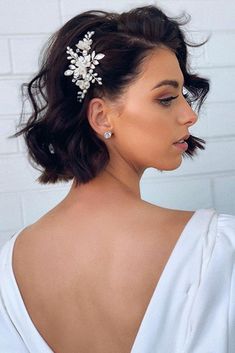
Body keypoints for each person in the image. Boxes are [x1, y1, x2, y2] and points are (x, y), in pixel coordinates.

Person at [0, 4, 235, 353]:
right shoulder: (214, 249)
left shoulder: (11, 265)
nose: (189, 115)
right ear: (101, 116)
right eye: (167, 98)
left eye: (184, 96)